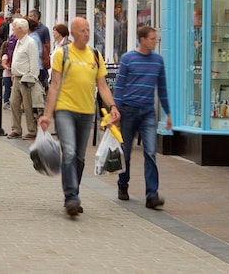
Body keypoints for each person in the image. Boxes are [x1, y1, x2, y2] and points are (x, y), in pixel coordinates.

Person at [39, 17, 120, 217]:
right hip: (65, 109)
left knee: (80, 157)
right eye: (82, 30)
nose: (87, 33)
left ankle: (74, 192)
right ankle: (71, 197)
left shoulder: (95, 55)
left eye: (88, 29)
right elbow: (55, 85)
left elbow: (102, 85)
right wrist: (47, 115)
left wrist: (113, 106)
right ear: (73, 33)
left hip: (86, 112)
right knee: (68, 151)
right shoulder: (62, 54)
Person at [114, 26, 171, 209]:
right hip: (128, 110)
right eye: (153, 38)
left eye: (156, 38)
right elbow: (119, 86)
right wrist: (115, 109)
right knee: (126, 151)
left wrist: (167, 113)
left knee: (150, 152)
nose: (156, 41)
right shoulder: (128, 59)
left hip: (148, 112)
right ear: (143, 39)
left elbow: (162, 88)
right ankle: (123, 184)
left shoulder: (158, 61)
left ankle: (151, 194)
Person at [7, 18, 40, 140]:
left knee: (28, 105)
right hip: (17, 77)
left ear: (20, 29)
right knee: (14, 102)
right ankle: (16, 129)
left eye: (14, 27)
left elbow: (34, 62)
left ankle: (32, 130)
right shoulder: (19, 41)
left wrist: (32, 77)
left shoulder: (30, 43)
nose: (13, 30)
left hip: (26, 78)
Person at [27, 9, 52, 87]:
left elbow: (47, 45)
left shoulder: (43, 29)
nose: (29, 18)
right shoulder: (29, 29)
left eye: (30, 16)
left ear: (36, 17)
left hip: (40, 60)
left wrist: (45, 58)